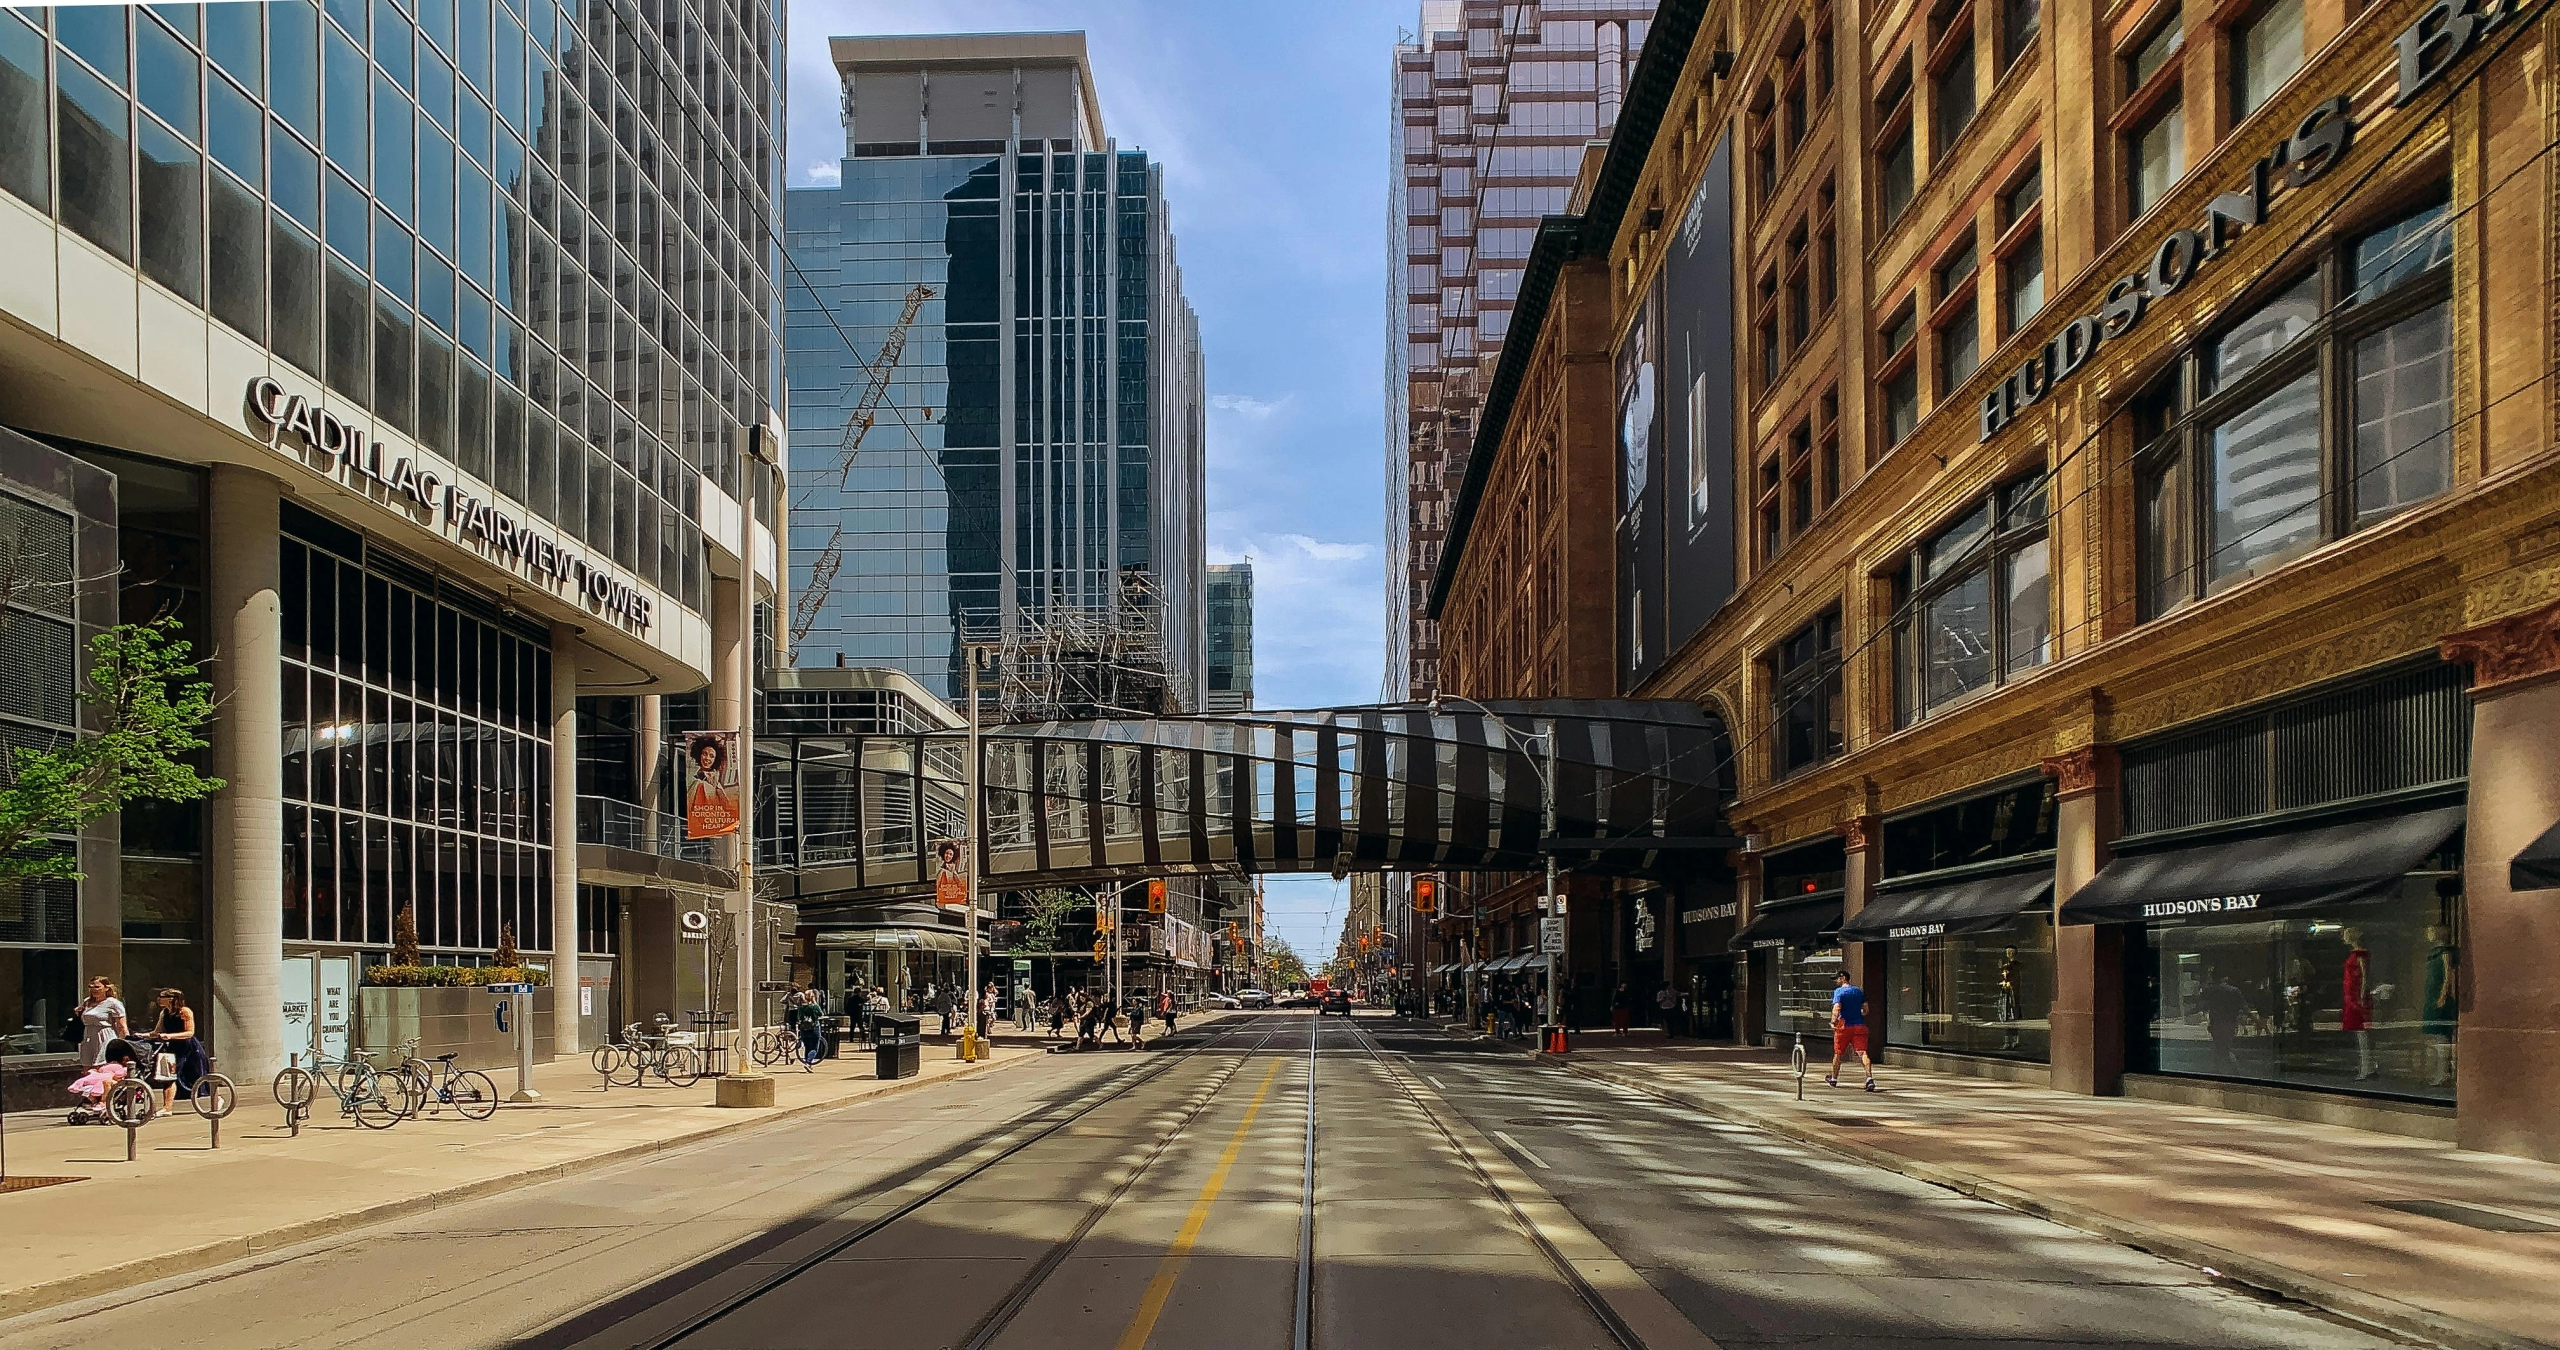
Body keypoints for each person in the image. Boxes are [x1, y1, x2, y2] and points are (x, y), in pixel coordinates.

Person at [148, 988, 205, 1112]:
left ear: (171, 999)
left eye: (162, 996)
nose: (159, 999)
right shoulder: (164, 1013)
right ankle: (167, 1107)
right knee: (169, 1077)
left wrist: (170, 1036)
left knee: (196, 1078)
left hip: (188, 1048)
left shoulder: (185, 1012)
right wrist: (144, 1035)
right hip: (173, 1048)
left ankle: (216, 1099)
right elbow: (157, 1032)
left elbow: (189, 1033)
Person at [2197, 968, 2257, 1075]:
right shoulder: (2234, 991)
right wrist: (2256, 1020)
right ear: (2225, 978)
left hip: (2215, 1024)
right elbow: (2245, 1008)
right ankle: (2232, 1071)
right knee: (2225, 1048)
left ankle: (2222, 1070)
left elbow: (2201, 1005)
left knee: (2219, 1047)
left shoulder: (2209, 991)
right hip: (2230, 1023)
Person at [1827, 970, 1876, 1092]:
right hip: (1859, 1026)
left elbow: (1837, 1008)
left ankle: (1834, 1078)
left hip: (1843, 1027)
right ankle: (1869, 1078)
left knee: (1838, 1053)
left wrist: (1833, 1022)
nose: (1837, 981)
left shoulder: (1839, 992)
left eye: (1838, 979)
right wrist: (1859, 1013)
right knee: (1863, 1052)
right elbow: (1866, 1009)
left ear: (1843, 978)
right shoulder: (1859, 991)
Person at [76, 977, 129, 1068]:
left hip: (105, 1036)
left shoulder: (113, 1003)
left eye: (97, 987)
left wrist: (124, 1045)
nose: (93, 989)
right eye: (91, 987)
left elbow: (122, 1026)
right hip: (88, 1036)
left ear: (106, 988)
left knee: (102, 1067)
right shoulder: (87, 1002)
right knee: (86, 1067)